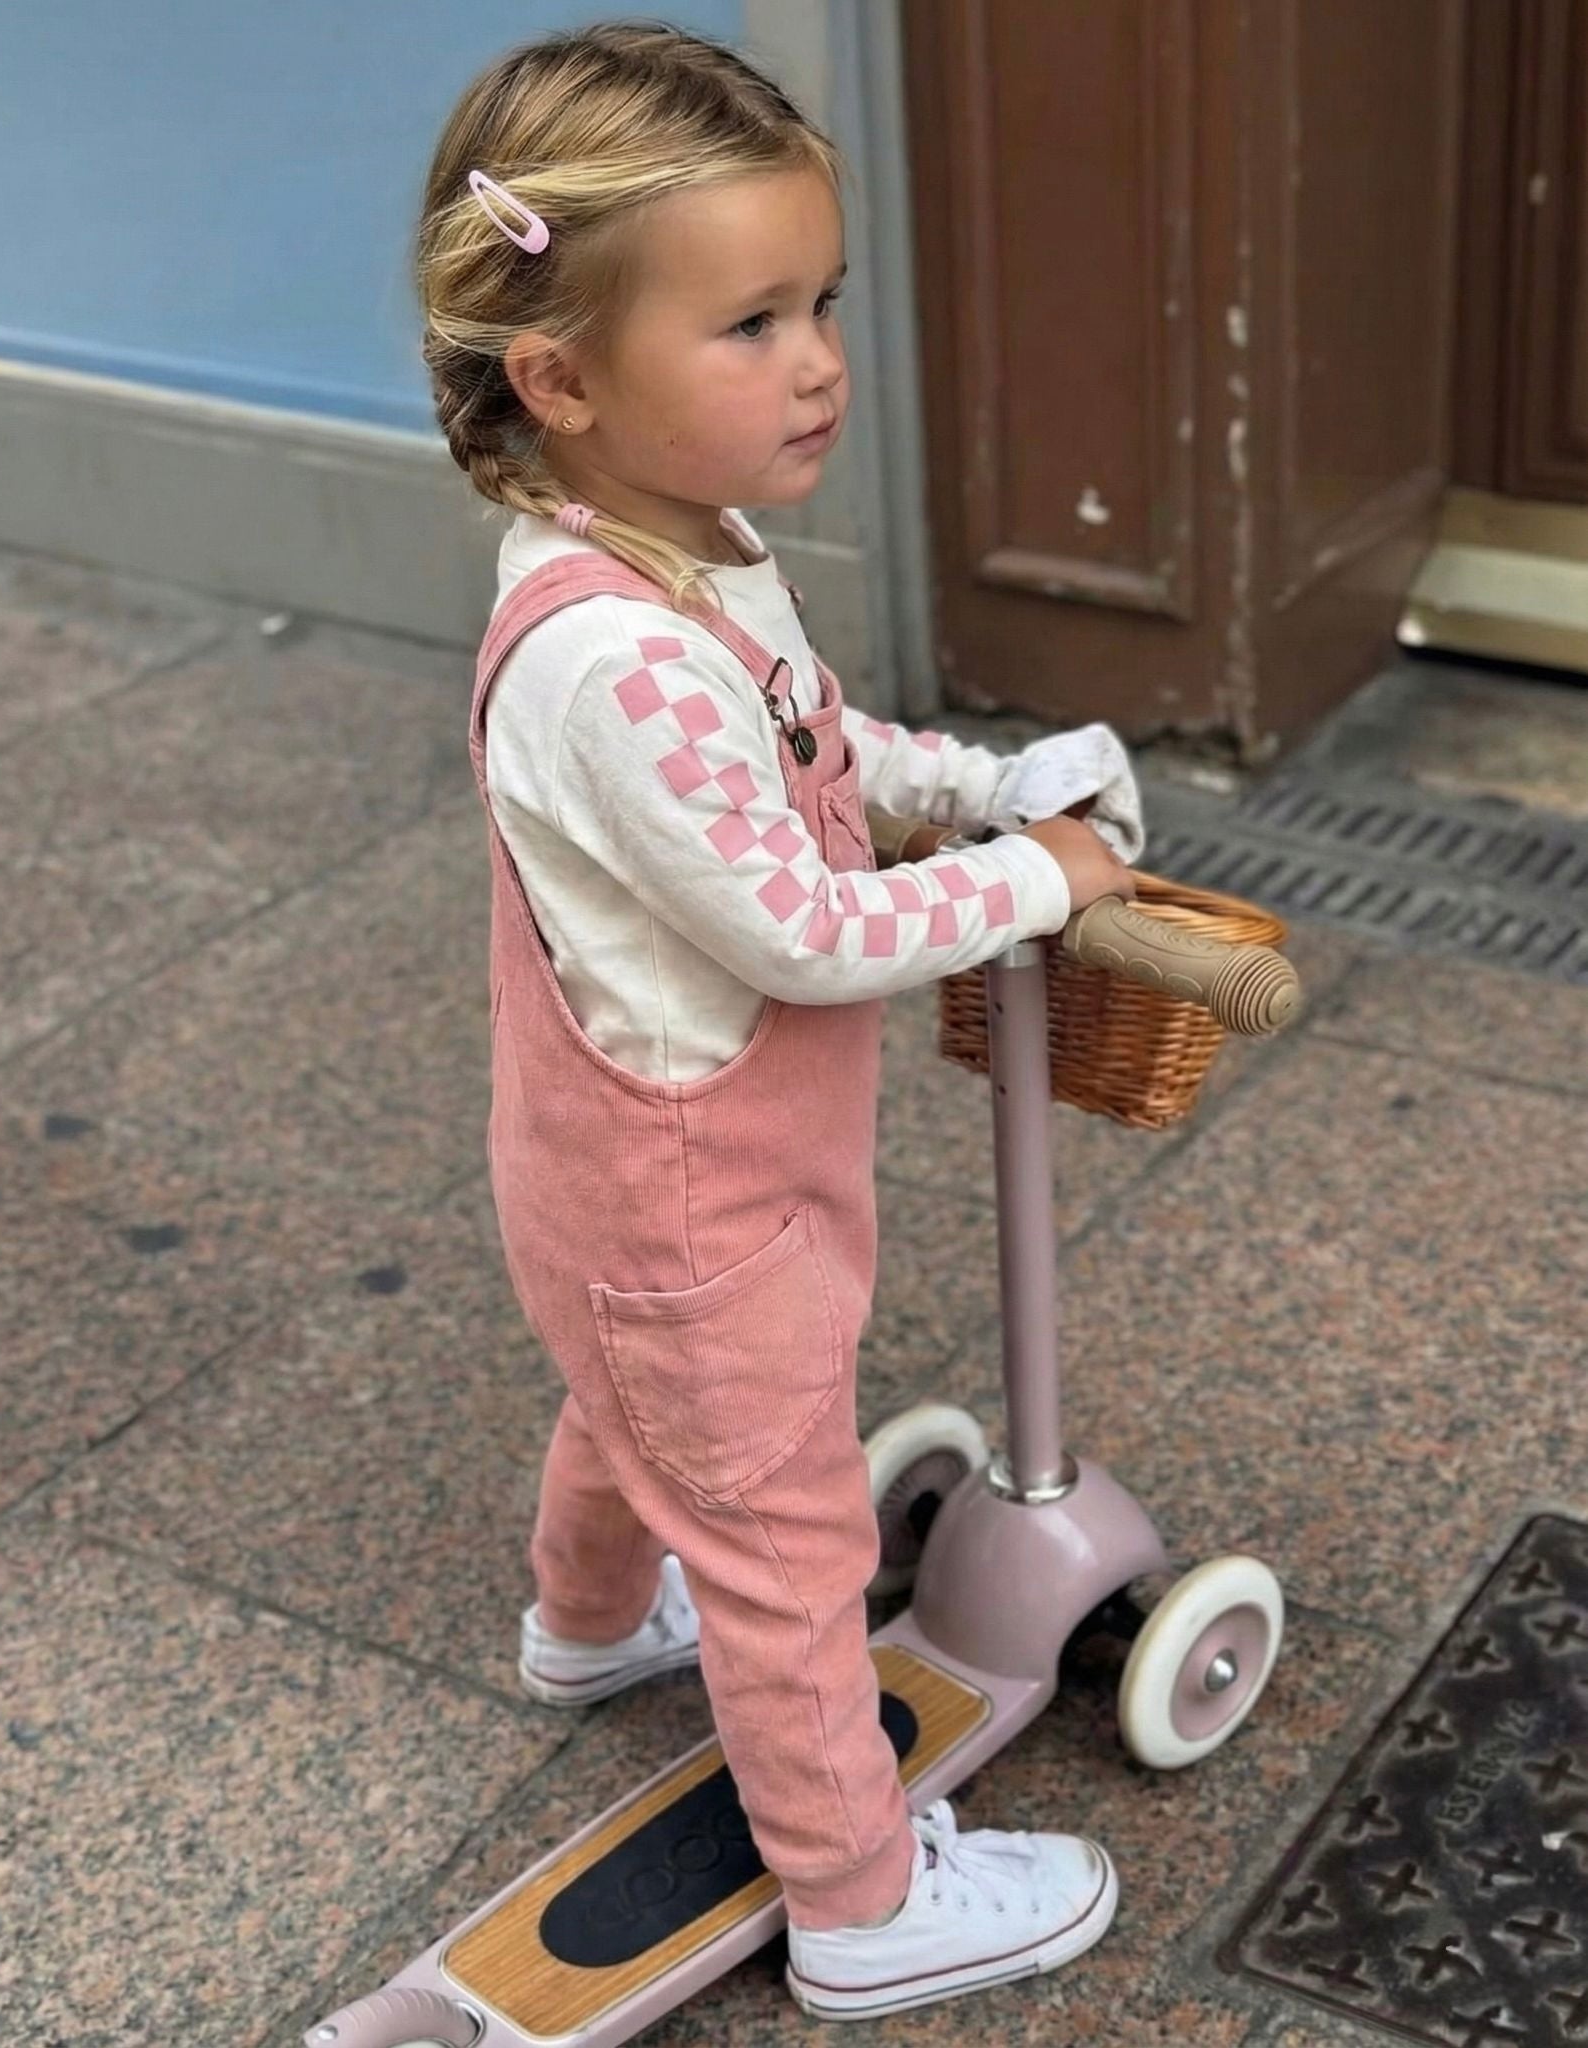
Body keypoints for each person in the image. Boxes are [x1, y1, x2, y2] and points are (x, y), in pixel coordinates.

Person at [415, 20, 1143, 2023]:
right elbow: (808, 926)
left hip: (628, 1182)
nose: (817, 360)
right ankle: (860, 1896)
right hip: (696, 1200)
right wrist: (1039, 878)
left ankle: (584, 1629)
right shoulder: (615, 663)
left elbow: (809, 747)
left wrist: (975, 784)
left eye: (820, 303)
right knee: (782, 1540)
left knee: (628, 1412)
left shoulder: (683, 556)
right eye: (749, 324)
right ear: (560, 379)